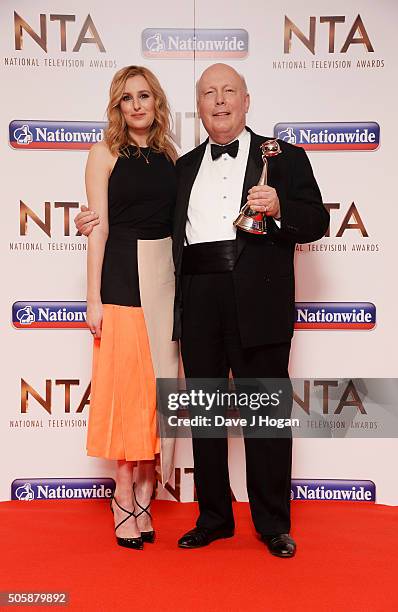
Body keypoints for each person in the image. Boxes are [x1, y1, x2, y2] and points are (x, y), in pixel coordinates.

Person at [77, 63, 329, 558]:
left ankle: (273, 523)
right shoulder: (183, 164)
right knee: (208, 416)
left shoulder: (284, 158)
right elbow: (136, 216)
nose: (219, 101)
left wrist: (279, 207)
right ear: (199, 105)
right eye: (209, 93)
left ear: (247, 99)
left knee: (266, 416)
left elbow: (317, 219)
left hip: (258, 296)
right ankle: (214, 517)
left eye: (228, 91)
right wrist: (90, 220)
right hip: (195, 295)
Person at [84, 65, 178, 550]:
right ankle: (124, 492)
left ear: (155, 102)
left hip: (163, 278)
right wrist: (92, 295)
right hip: (121, 273)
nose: (136, 105)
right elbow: (96, 227)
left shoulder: (170, 155)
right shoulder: (102, 154)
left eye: (144, 96)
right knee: (126, 387)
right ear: (117, 106)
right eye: (127, 98)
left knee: (156, 388)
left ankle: (147, 485)